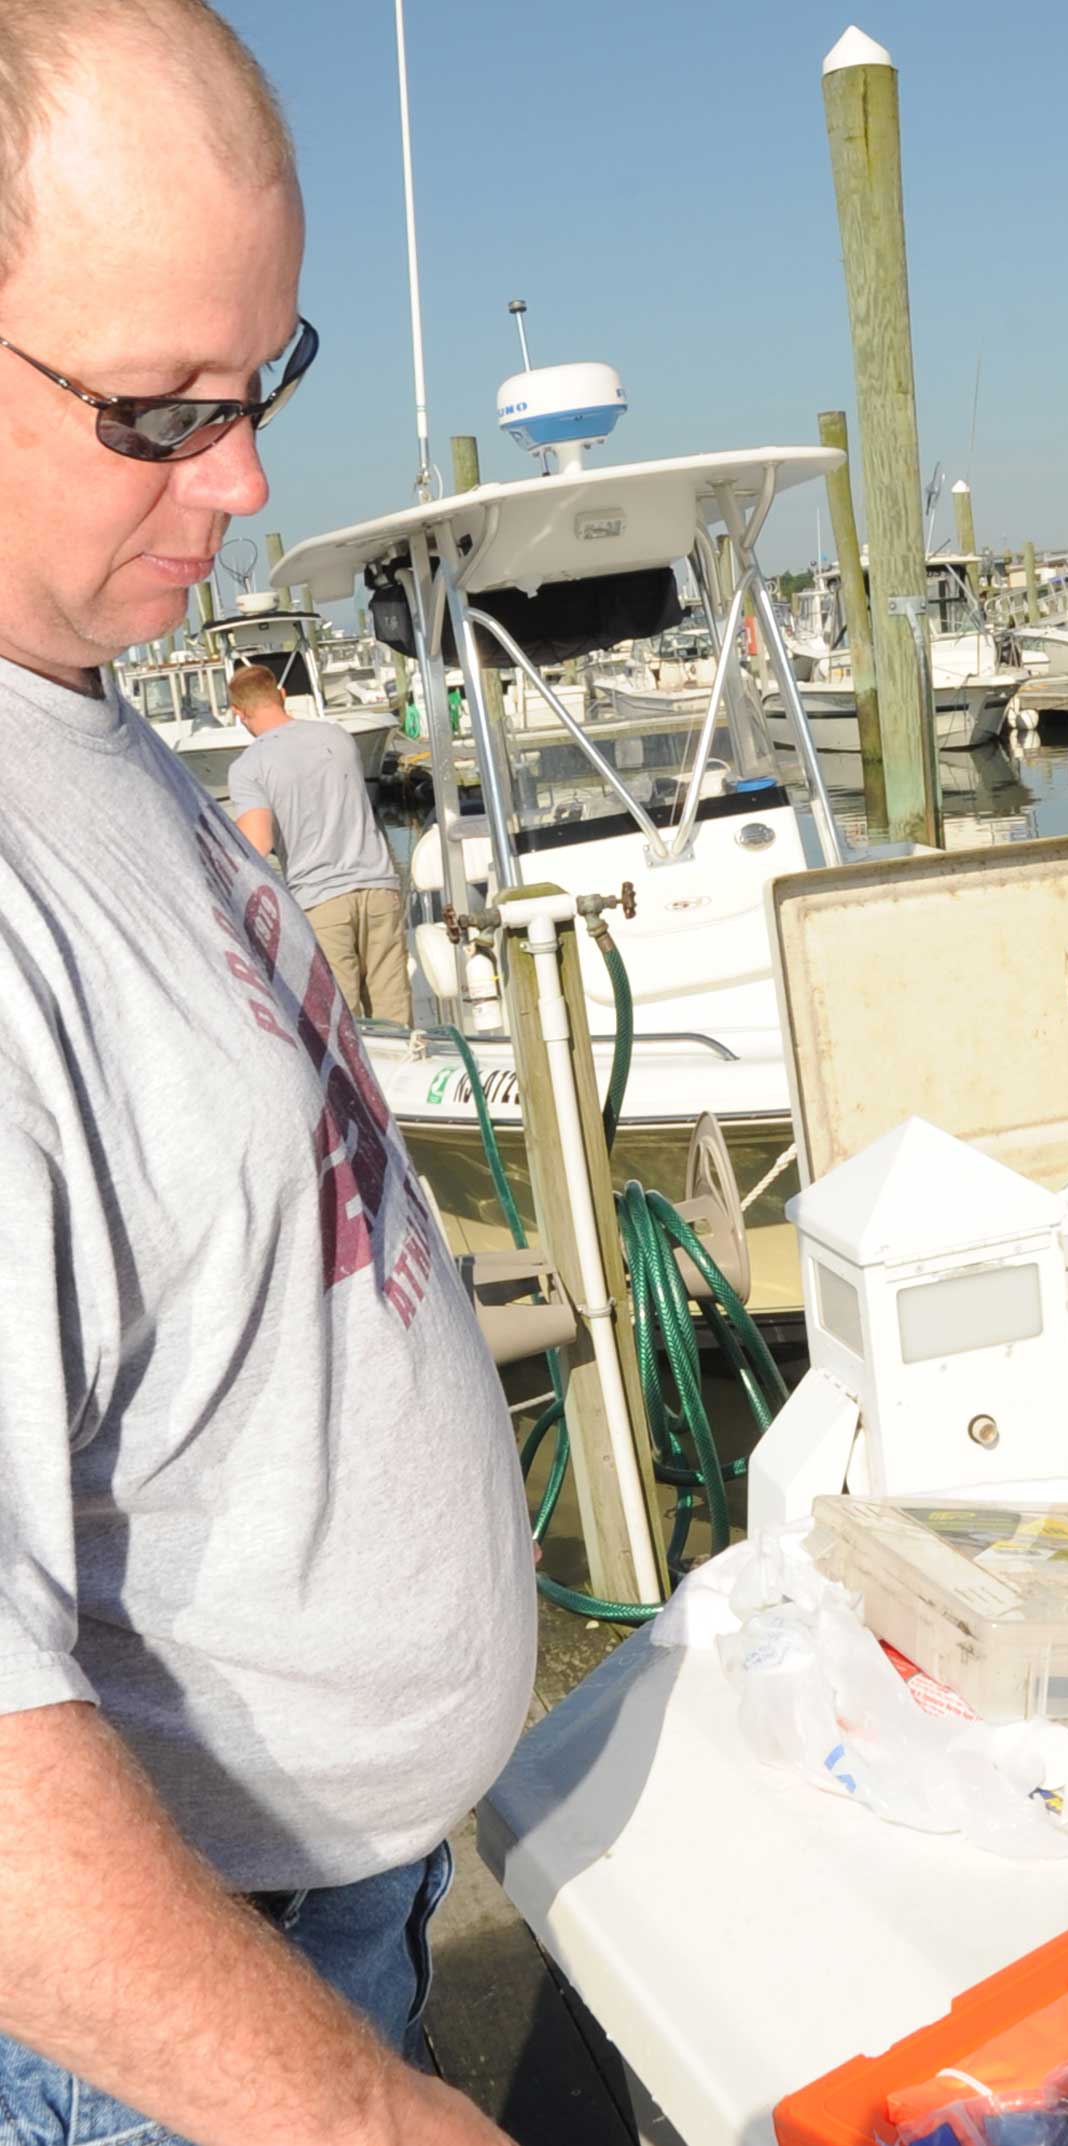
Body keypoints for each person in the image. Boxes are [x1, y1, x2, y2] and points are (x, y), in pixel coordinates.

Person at [0, 6, 534, 2142]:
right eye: (156, 410)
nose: (241, 477)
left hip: (329, 1913)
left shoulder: (81, 712)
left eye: (259, 386)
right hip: (159, 2043)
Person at [229, 659, 414, 1024]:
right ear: (282, 696)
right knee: (398, 1023)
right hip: (380, 889)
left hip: (321, 900)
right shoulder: (337, 736)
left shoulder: (248, 767)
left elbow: (258, 843)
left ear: (238, 713)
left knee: (345, 1028)